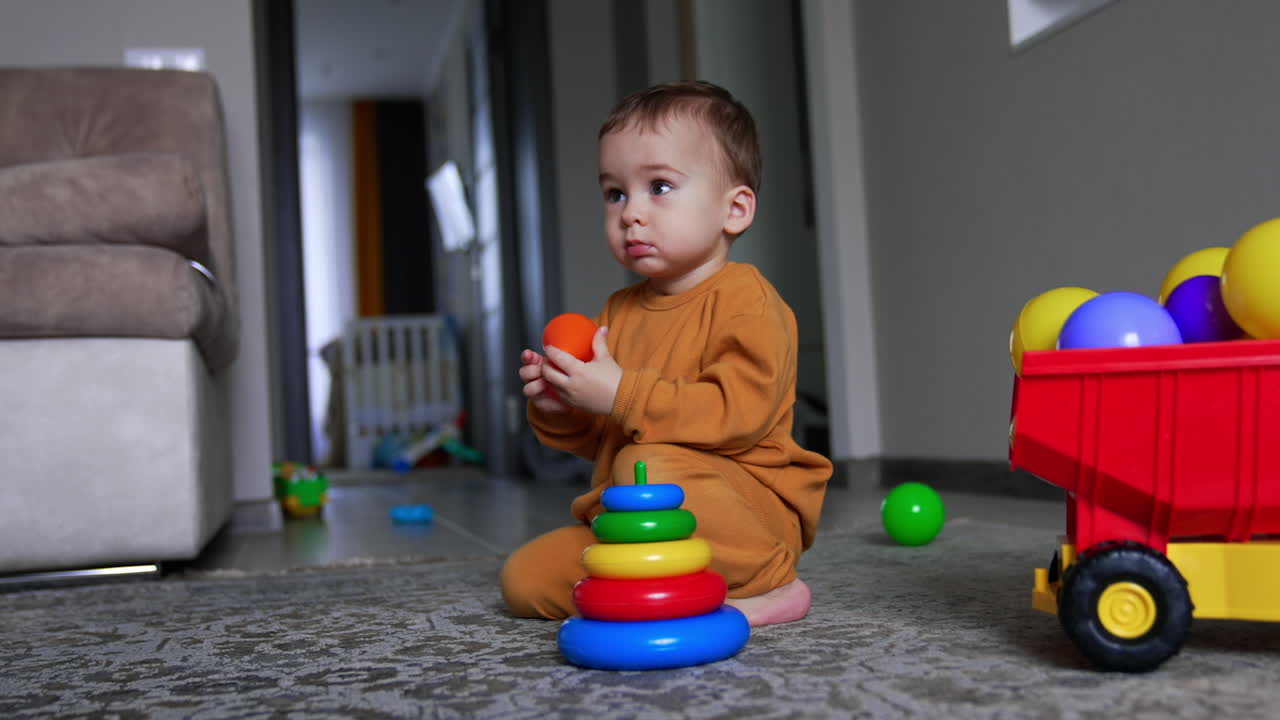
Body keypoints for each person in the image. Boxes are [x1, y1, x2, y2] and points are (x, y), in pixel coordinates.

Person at [502, 81, 832, 627]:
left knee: (644, 466)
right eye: (615, 193)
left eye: (659, 186)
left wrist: (621, 392)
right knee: (524, 579)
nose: (631, 213)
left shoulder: (747, 300)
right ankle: (670, 588)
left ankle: (769, 579)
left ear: (735, 209)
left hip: (746, 516)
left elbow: (739, 415)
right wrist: (565, 407)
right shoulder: (619, 311)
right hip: (638, 518)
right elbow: (607, 433)